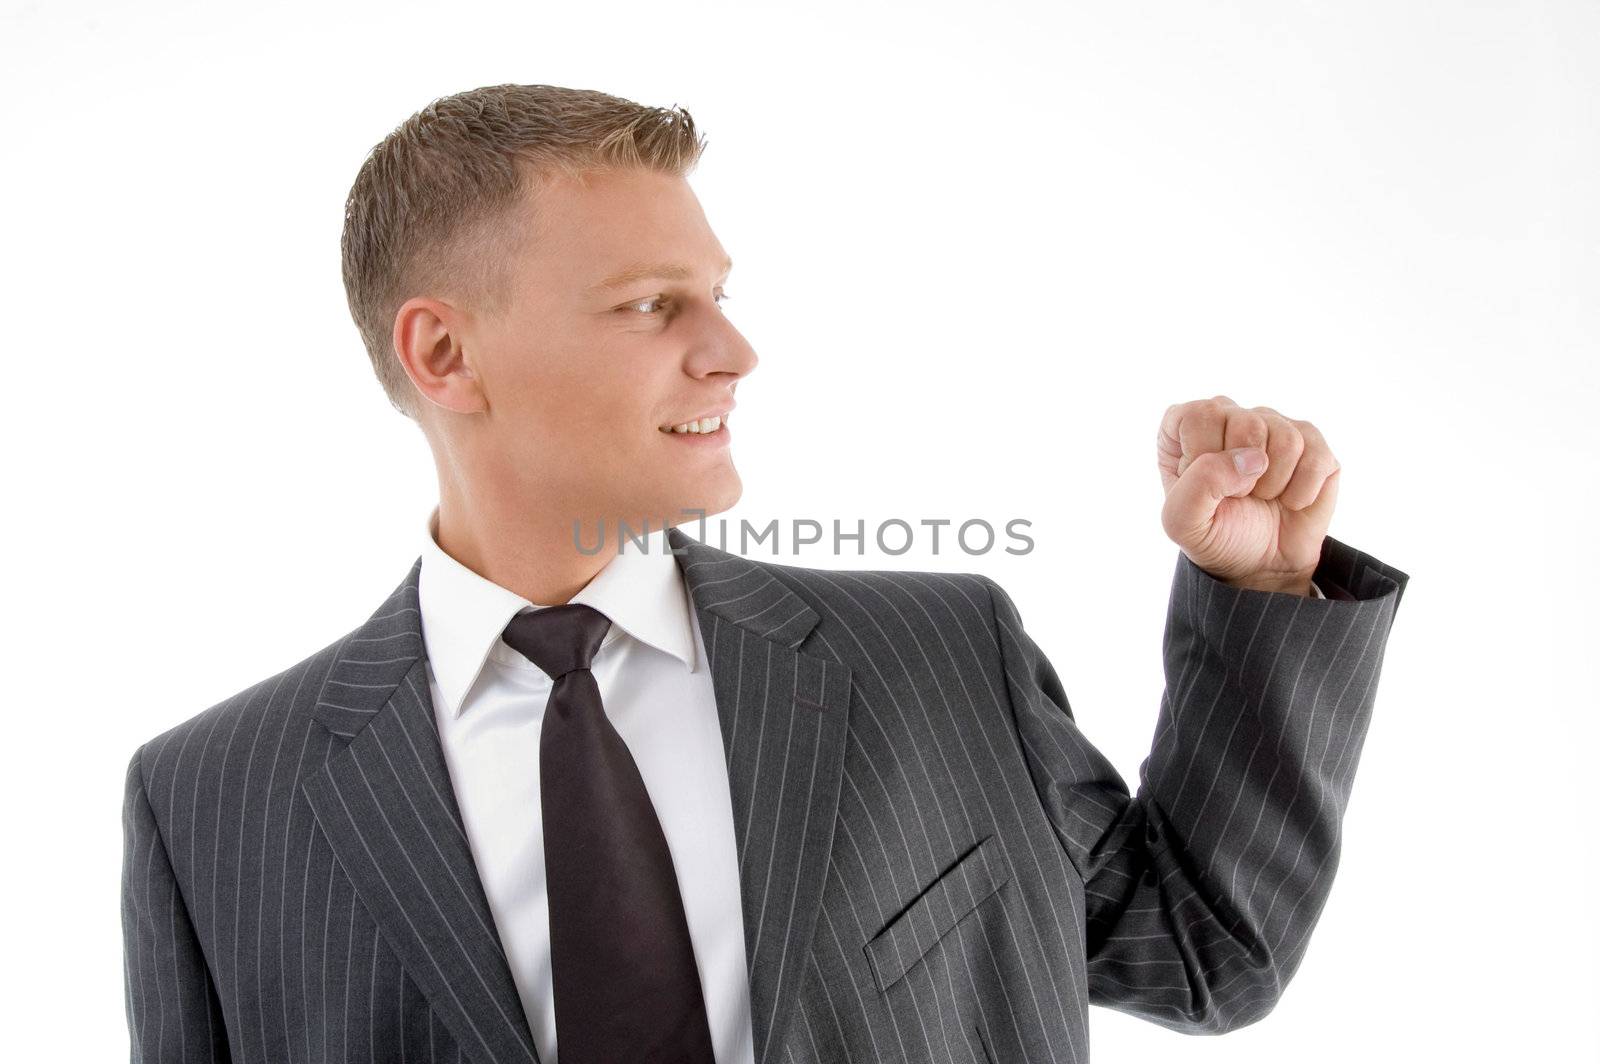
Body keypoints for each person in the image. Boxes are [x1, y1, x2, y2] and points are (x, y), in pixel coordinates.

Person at [120, 83, 1409, 1064]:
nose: (733, 349)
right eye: (650, 305)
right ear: (445, 355)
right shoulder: (218, 802)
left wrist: (1265, 592)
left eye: (719, 295)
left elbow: (1203, 955)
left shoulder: (938, 655)